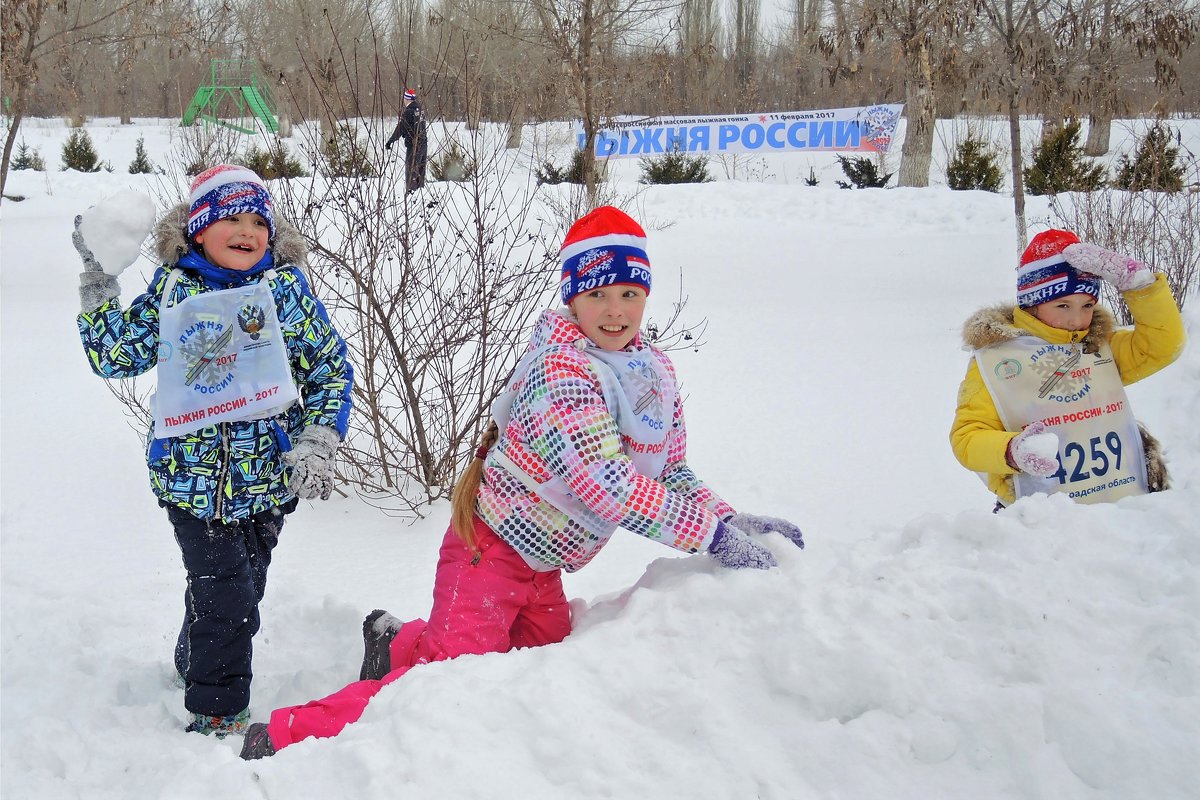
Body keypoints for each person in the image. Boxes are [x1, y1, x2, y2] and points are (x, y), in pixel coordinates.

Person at [238, 205, 804, 759]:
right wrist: (708, 538)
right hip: (490, 553)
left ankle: (393, 640)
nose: (615, 311)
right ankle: (290, 733)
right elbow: (606, 484)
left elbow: (668, 470)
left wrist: (726, 518)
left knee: (532, 673)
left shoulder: (649, 372)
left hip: (542, 566)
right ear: (573, 297)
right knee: (444, 683)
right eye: (598, 295)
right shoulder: (561, 371)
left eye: (629, 294)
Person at [75, 165, 354, 737]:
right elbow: (116, 356)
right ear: (198, 230)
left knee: (239, 588)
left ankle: (192, 660)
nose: (248, 230)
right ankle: (218, 712)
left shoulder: (285, 291)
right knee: (228, 596)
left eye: (259, 220)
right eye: (231, 217)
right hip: (192, 483)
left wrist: (317, 441)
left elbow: (328, 369)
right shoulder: (175, 290)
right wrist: (99, 279)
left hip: (268, 478)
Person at [950, 228, 1185, 510]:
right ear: (1032, 303)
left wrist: (1140, 286)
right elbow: (967, 437)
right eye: (1063, 305)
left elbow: (1162, 345)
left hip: (1119, 500)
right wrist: (1013, 451)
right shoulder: (997, 360)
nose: (1077, 319)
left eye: (1087, 305)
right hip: (1041, 513)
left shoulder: (1098, 346)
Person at [384, 87, 427, 192]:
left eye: (404, 98)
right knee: (420, 169)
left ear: (407, 99)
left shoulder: (408, 112)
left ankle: (411, 192)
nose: (403, 100)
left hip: (413, 145)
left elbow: (400, 128)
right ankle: (420, 191)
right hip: (424, 143)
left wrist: (390, 141)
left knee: (411, 169)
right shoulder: (420, 110)